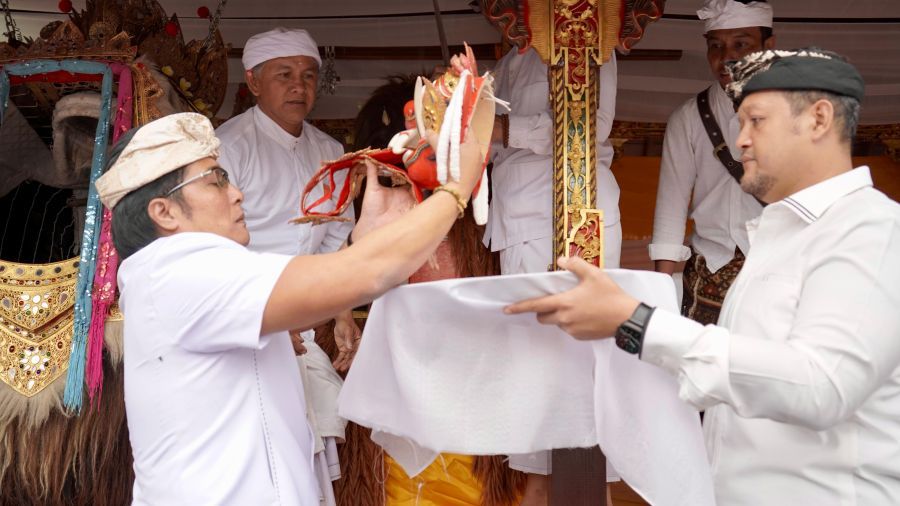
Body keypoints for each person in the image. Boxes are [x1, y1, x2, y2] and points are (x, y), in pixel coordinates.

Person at [507, 48, 900, 505]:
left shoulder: (870, 229)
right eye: (740, 124)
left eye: (756, 121)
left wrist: (635, 323)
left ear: (818, 120)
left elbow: (821, 386)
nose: (740, 142)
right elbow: (740, 388)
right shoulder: (780, 236)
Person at [95, 111, 485, 505]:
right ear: (164, 212)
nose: (236, 193)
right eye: (215, 181)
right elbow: (368, 274)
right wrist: (455, 188)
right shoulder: (182, 270)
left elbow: (319, 296)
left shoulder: (176, 276)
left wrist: (358, 242)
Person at [214, 28, 360, 502]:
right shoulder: (228, 147)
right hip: (246, 320)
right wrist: (265, 315)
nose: (300, 86)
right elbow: (215, 245)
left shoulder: (330, 152)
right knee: (260, 451)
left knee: (307, 449)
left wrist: (340, 314)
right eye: (284, 75)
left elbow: (339, 236)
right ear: (254, 82)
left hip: (304, 313)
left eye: (309, 75)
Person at [485, 43, 622, 505]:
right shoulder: (507, 62)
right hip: (519, 224)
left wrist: (499, 127)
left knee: (579, 390)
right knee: (533, 391)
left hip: (568, 220)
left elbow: (588, 126)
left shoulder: (584, 37)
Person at [650, 0, 775, 324]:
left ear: (769, 46)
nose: (726, 56)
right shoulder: (689, 118)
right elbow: (671, 206)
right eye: (715, 46)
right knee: (702, 371)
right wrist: (661, 295)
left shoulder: (798, 111)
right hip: (709, 269)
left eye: (741, 44)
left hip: (780, 267)